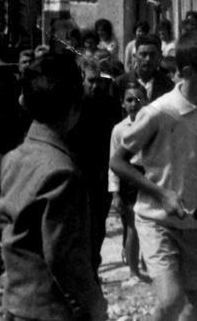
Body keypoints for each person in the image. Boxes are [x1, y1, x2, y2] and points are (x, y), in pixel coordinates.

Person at [111, 30, 197, 321]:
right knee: (170, 301)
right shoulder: (159, 112)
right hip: (158, 221)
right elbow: (118, 162)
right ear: (188, 72)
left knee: (193, 310)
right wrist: (161, 193)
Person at [0, 52, 108, 321]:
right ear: (74, 108)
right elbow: (63, 257)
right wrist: (94, 304)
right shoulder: (61, 172)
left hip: (18, 301)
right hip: (50, 309)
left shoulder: (15, 157)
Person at [70, 54, 124, 268]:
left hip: (101, 172)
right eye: (91, 81)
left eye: (99, 81)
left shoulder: (110, 103)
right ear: (82, 78)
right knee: (79, 224)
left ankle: (93, 262)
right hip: (77, 173)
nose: (96, 86)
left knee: (98, 223)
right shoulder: (72, 104)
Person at [0, 48, 32, 226]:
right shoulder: (5, 80)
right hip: (4, 140)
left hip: (25, 143)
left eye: (31, 61)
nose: (27, 65)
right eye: (24, 62)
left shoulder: (37, 85)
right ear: (18, 64)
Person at [109, 87, 148, 283]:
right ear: (123, 103)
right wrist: (115, 192)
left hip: (149, 176)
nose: (134, 104)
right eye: (130, 100)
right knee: (132, 226)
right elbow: (113, 161)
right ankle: (134, 271)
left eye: (139, 99)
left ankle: (148, 263)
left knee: (151, 222)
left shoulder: (153, 124)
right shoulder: (119, 129)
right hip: (128, 177)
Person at [115, 34, 175, 105]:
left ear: (159, 56)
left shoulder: (167, 85)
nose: (148, 59)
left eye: (152, 55)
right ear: (135, 56)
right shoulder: (120, 83)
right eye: (143, 54)